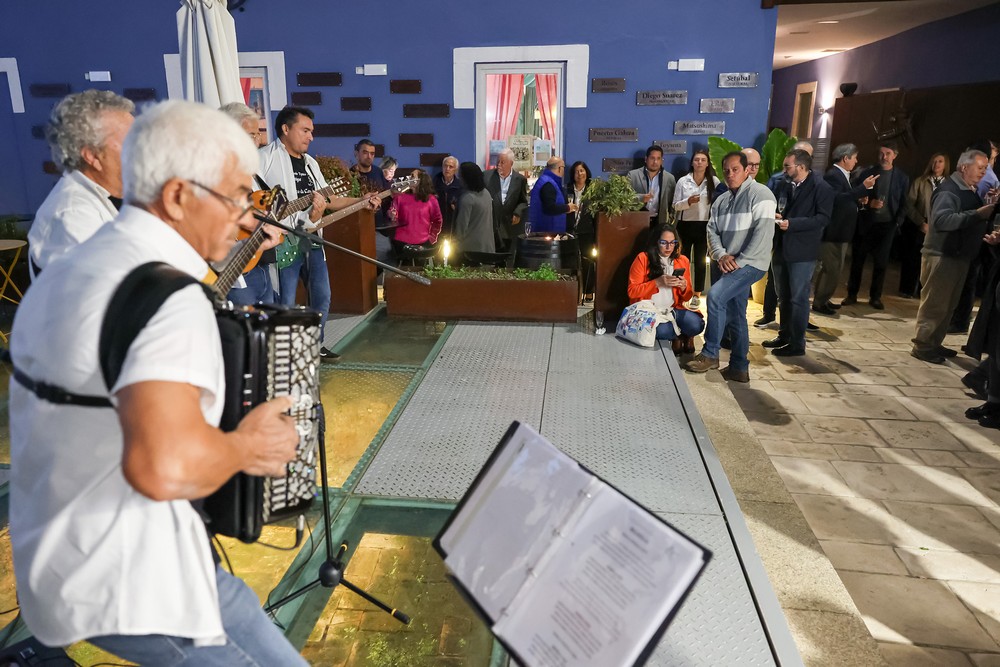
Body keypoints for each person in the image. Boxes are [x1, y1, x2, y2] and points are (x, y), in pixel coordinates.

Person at [8, 100, 306, 665]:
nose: (245, 216)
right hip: (130, 577)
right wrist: (249, 446)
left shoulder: (83, 261)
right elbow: (165, 467)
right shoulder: (168, 298)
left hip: (76, 552)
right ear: (176, 196)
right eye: (236, 197)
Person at [259, 106, 372, 359]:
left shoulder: (310, 164)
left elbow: (329, 198)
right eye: (305, 130)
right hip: (281, 242)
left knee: (321, 296)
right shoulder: (264, 158)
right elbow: (251, 198)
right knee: (285, 301)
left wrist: (361, 200)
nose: (311, 136)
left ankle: (314, 346)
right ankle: (284, 354)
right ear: (285, 129)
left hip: (311, 238)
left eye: (312, 131)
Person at [684, 152, 775, 383]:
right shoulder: (722, 200)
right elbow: (711, 231)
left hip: (749, 264)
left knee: (715, 296)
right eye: (726, 170)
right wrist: (721, 255)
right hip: (725, 263)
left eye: (735, 169)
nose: (730, 174)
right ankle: (739, 368)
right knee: (736, 314)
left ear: (747, 170)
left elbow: (762, 235)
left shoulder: (762, 194)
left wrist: (738, 262)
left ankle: (710, 353)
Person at [28, 90, 135, 275]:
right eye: (132, 140)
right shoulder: (72, 217)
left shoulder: (121, 196)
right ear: (93, 156)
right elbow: (113, 285)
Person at [911, 149, 995, 363]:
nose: (983, 172)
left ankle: (934, 343)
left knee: (948, 305)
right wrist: (977, 214)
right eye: (980, 168)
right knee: (935, 304)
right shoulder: (950, 190)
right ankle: (923, 346)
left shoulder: (967, 189)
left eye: (985, 168)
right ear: (964, 167)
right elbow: (942, 221)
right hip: (942, 255)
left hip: (957, 256)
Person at [764, 149, 833, 357]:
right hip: (781, 247)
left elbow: (823, 218)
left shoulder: (821, 187)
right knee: (783, 295)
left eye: (787, 166)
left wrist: (793, 224)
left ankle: (797, 343)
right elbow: (782, 207)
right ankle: (784, 335)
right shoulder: (784, 184)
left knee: (798, 298)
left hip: (802, 251)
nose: (784, 170)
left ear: (801, 167)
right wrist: (778, 215)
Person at [218, 102, 279, 306]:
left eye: (258, 134)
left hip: (259, 262)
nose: (258, 141)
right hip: (234, 272)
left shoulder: (252, 171)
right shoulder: (213, 173)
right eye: (252, 134)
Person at [843, 141, 910, 309]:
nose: (884, 157)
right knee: (858, 260)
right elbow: (857, 196)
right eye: (881, 153)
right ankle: (852, 294)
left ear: (895, 155)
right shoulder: (867, 173)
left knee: (881, 263)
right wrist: (868, 204)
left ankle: (875, 297)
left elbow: (904, 203)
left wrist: (897, 222)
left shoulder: (901, 177)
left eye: (888, 153)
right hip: (867, 223)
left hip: (887, 225)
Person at [813, 143, 876, 315]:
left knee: (835, 269)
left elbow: (845, 199)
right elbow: (836, 199)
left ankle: (824, 298)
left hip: (841, 231)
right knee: (831, 269)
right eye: (854, 158)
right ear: (845, 158)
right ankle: (819, 302)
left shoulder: (842, 175)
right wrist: (862, 188)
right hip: (834, 231)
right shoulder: (833, 175)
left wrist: (858, 200)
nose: (856, 161)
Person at [627, 222, 704, 353]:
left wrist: (684, 287)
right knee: (664, 331)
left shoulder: (682, 260)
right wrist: (657, 282)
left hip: (673, 309)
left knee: (697, 325)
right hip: (649, 311)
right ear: (656, 242)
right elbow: (632, 292)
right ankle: (677, 336)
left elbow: (687, 296)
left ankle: (683, 335)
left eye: (672, 242)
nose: (669, 247)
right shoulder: (643, 258)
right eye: (664, 243)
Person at [672, 148, 720, 308]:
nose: (699, 162)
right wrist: (688, 202)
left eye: (703, 160)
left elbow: (719, 203)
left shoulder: (713, 181)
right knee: (682, 260)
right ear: (692, 162)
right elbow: (675, 205)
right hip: (685, 225)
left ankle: (696, 294)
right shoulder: (683, 181)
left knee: (700, 261)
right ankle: (681, 292)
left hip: (704, 225)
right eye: (696, 159)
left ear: (707, 164)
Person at [901, 153, 950, 298]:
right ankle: (907, 289)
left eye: (940, 161)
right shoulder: (920, 181)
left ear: (945, 164)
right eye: (934, 161)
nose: (937, 164)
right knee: (914, 258)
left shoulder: (949, 184)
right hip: (921, 223)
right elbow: (909, 204)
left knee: (932, 261)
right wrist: (920, 222)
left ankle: (924, 291)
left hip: (939, 227)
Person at [351, 139, 394, 266]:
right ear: (356, 154)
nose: (369, 156)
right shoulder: (350, 175)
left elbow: (385, 195)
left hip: (378, 227)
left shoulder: (378, 172)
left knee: (387, 257)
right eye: (365, 152)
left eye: (372, 153)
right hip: (359, 228)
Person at [484, 148, 529, 252]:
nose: (499, 165)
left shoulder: (520, 180)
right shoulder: (486, 176)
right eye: (498, 161)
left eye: (502, 162)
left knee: (506, 255)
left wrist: (517, 213)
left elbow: (523, 201)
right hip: (490, 225)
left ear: (511, 163)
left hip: (508, 226)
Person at [389, 169, 442, 252]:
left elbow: (437, 220)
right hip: (401, 242)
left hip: (423, 242)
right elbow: (392, 213)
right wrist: (392, 214)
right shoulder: (399, 197)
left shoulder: (431, 199)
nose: (409, 178)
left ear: (421, 180)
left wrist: (432, 237)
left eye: (412, 176)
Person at [566, 160, 596, 302]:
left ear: (586, 172)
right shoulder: (567, 189)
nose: (579, 174)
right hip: (569, 231)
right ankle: (574, 292)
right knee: (571, 262)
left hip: (587, 231)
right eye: (576, 171)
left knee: (588, 262)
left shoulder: (592, 190)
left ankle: (588, 291)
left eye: (582, 170)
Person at [628, 145, 677, 225]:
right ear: (646, 159)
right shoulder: (633, 175)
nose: (655, 162)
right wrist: (641, 198)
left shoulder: (669, 178)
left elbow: (673, 202)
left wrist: (670, 222)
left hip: (659, 222)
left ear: (662, 161)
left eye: (658, 158)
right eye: (652, 158)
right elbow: (625, 198)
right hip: (637, 221)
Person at [454, 162, 496, 254]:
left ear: (466, 178)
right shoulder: (486, 193)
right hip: (488, 247)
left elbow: (461, 229)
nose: (459, 178)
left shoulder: (467, 198)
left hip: (470, 250)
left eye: (460, 176)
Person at [528, 157, 577, 234]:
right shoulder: (548, 184)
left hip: (542, 230)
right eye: (563, 167)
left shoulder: (544, 180)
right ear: (560, 168)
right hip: (547, 232)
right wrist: (567, 208)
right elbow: (549, 208)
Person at [434, 155, 464, 236]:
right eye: (445, 166)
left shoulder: (461, 186)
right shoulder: (433, 184)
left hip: (453, 227)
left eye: (451, 167)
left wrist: (457, 207)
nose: (447, 169)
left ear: (456, 170)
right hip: (437, 227)